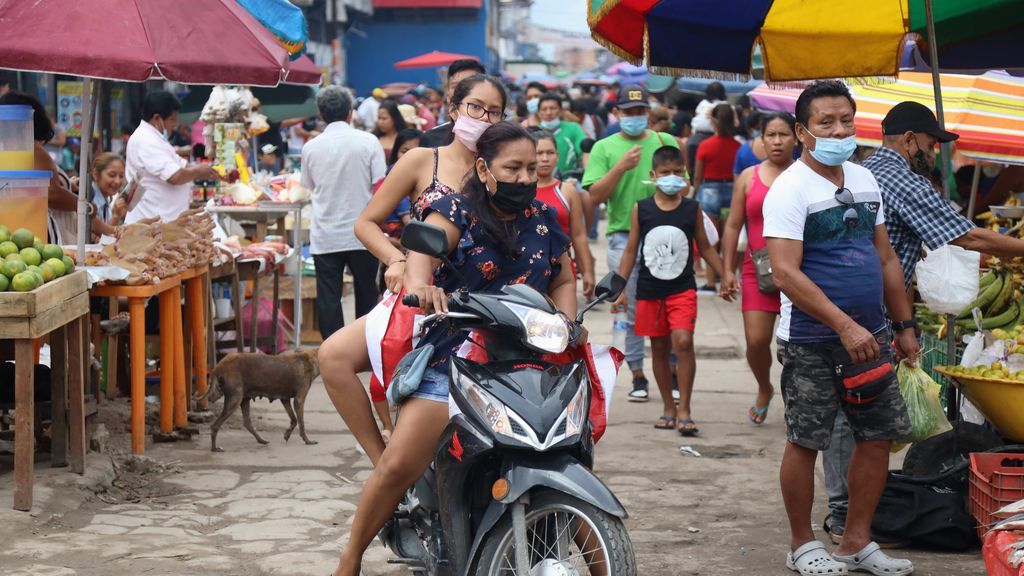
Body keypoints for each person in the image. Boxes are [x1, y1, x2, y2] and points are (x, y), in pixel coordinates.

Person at [331, 121, 575, 576]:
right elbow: (420, 259)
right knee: (397, 465)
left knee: (567, 457)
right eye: (513, 168)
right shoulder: (454, 210)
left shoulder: (543, 218)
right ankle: (350, 560)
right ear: (484, 169)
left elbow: (563, 278)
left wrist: (566, 320)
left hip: (529, 359)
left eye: (530, 169)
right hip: (458, 355)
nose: (524, 178)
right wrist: (421, 286)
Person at [816, 100, 1024, 545]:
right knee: (858, 417)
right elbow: (968, 235)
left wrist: (905, 325)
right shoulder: (902, 179)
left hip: (846, 308)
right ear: (910, 140)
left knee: (850, 416)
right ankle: (843, 514)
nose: (934, 152)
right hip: (861, 314)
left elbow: (897, 259)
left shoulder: (864, 171)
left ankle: (846, 510)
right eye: (931, 144)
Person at [762, 80, 917, 576]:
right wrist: (845, 326)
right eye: (825, 122)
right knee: (806, 440)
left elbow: (885, 257)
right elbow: (785, 273)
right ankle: (801, 544)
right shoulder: (789, 188)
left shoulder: (865, 179)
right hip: (812, 341)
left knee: (877, 437)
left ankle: (856, 541)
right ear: (802, 132)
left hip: (872, 337)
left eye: (846, 120)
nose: (838, 130)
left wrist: (903, 324)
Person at [317, 74, 507, 468]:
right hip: (418, 294)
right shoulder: (422, 159)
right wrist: (397, 260)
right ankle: (382, 463)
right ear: (453, 109)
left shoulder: (503, 167)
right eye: (475, 108)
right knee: (333, 357)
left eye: (494, 112)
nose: (483, 119)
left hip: (481, 298)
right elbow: (365, 223)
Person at [614, 146, 733, 436]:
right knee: (658, 347)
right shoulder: (641, 209)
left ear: (685, 174)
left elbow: (705, 247)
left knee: (683, 341)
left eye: (677, 172)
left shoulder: (692, 209)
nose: (672, 177)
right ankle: (668, 407)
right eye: (665, 172)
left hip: (682, 289)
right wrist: (619, 287)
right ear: (653, 175)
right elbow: (630, 250)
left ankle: (685, 410)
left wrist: (725, 274)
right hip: (649, 290)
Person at [583, 83, 679, 402]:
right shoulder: (604, 148)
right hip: (623, 236)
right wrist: (621, 168)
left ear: (648, 112)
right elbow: (595, 196)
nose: (635, 116)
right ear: (617, 113)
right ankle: (638, 374)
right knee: (632, 310)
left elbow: (683, 183)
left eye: (640, 111)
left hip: (664, 234)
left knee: (668, 306)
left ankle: (672, 369)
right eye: (629, 112)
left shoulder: (665, 142)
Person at [720, 112, 797, 425]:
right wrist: (727, 269)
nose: (777, 141)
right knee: (755, 342)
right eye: (770, 135)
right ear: (761, 140)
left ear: (797, 137)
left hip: (801, 270)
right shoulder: (748, 177)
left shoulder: (806, 175)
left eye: (784, 134)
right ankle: (764, 386)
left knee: (799, 347)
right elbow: (732, 225)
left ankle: (798, 400)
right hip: (757, 270)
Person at [301, 86, 386, 339]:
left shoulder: (311, 147)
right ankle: (364, 346)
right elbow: (380, 186)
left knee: (329, 297)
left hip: (326, 233)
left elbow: (308, 186)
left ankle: (333, 349)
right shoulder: (369, 142)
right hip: (363, 232)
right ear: (350, 112)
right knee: (367, 293)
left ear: (321, 114)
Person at [0, 91, 98, 244]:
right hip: (37, 233)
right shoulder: (31, 150)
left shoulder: (9, 150)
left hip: (17, 232)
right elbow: (51, 193)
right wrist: (86, 206)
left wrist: (67, 184)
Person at [124, 91, 222, 224]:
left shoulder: (154, 138)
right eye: (172, 120)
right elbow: (174, 176)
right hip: (152, 221)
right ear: (157, 118)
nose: (174, 124)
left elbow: (181, 164)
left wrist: (208, 170)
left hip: (162, 220)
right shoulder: (146, 140)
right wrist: (199, 171)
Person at [532, 129, 595, 298]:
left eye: (550, 153)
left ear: (557, 156)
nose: (545, 158)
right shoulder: (520, 188)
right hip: (528, 271)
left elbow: (578, 235)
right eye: (539, 153)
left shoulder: (567, 190)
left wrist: (588, 271)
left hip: (563, 271)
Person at [693, 103, 742, 294]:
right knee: (728, 238)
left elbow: (697, 176)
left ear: (713, 121)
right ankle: (728, 274)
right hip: (732, 192)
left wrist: (694, 193)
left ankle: (710, 282)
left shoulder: (705, 145)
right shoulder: (738, 147)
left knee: (709, 239)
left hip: (709, 192)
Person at [419, 59, 487, 148]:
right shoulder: (431, 138)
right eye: (455, 86)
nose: (461, 91)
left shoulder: (496, 137)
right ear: (448, 94)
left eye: (468, 85)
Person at [536, 93, 586, 177]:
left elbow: (584, 152)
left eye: (553, 108)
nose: (548, 112)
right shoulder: (533, 132)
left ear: (561, 111)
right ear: (539, 113)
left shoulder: (574, 128)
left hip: (569, 179)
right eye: (544, 109)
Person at [687, 81, 727, 174]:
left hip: (696, 137)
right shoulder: (725, 105)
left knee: (693, 164)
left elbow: (696, 116)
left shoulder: (702, 104)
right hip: (716, 137)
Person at [89, 152, 128, 237]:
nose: (117, 181)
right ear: (95, 174)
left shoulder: (106, 199)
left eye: (121, 176)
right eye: (112, 175)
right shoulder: (90, 200)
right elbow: (105, 234)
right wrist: (116, 216)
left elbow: (106, 234)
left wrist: (117, 215)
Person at [733, 111, 766, 175]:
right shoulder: (744, 149)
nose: (760, 131)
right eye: (757, 129)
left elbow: (737, 174)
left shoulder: (743, 149)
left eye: (762, 129)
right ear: (749, 130)